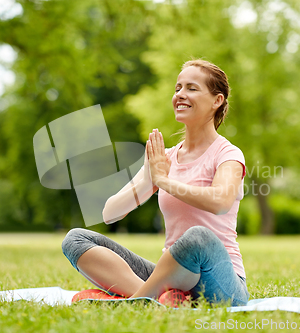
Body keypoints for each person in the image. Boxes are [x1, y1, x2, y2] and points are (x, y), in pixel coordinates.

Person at [62, 59, 249, 306]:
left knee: (198, 237)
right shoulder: (165, 157)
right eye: (178, 88)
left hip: (220, 282)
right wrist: (149, 180)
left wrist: (164, 181)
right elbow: (110, 214)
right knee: (75, 239)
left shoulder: (228, 154)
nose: (180, 95)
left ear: (217, 101)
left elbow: (221, 202)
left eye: (191, 88)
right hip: (169, 276)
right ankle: (157, 297)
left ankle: (137, 299)